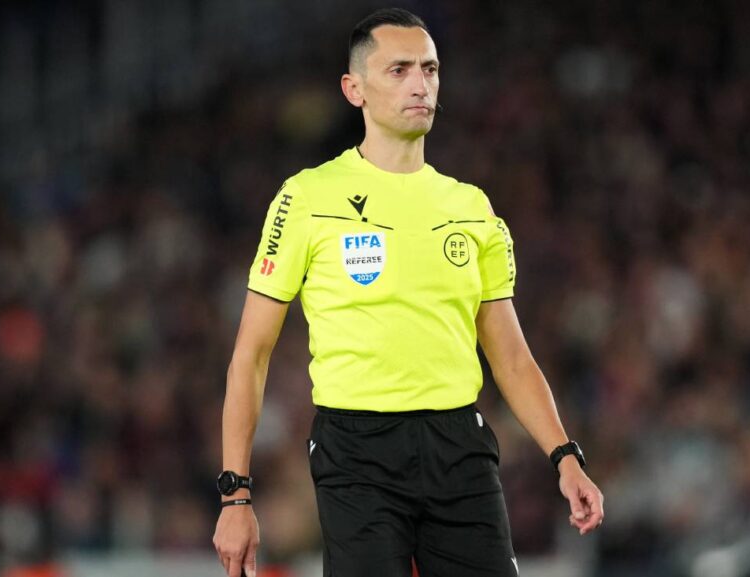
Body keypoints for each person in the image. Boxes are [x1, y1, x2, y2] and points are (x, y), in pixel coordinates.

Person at [212, 8, 603, 577]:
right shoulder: (306, 198)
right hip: (355, 450)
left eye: (430, 69)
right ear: (354, 90)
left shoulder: (470, 207)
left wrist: (565, 457)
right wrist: (236, 496)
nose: (421, 84)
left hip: (459, 446)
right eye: (398, 70)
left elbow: (511, 357)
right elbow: (250, 354)